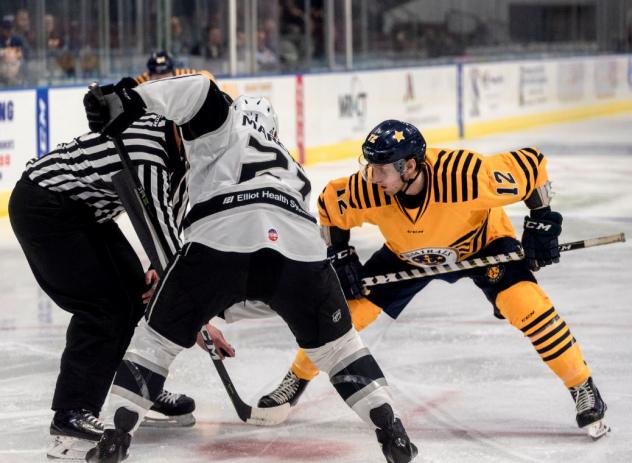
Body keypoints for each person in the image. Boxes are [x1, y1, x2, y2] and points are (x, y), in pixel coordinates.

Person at [81, 75, 418, 463]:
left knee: (155, 345)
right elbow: (268, 280)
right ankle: (392, 430)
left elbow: (198, 91)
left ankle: (115, 436)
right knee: (341, 350)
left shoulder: (222, 126)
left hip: (220, 241)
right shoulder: (292, 166)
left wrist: (127, 99)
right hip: (298, 253)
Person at [258, 119, 610, 440]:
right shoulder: (368, 189)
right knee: (344, 315)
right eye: (369, 168)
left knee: (525, 305)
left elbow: (531, 166)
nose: (372, 178)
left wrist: (541, 218)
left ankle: (583, 386)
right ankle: (297, 377)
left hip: (481, 244)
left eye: (380, 170)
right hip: (405, 254)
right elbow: (330, 205)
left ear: (409, 166)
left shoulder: (465, 176)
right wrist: (340, 252)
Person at [7, 108, 232, 459]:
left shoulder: (179, 149)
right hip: (45, 207)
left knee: (134, 294)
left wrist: (162, 271)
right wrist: (199, 323)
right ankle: (71, 414)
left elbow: (169, 227)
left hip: (85, 214)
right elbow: (171, 251)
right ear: (180, 126)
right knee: (105, 306)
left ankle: (138, 390)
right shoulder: (147, 155)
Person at [134, 50, 214, 84]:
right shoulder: (140, 82)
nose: (163, 82)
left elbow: (206, 76)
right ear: (149, 76)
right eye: (157, 78)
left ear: (173, 72)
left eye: (166, 77)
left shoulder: (184, 76)